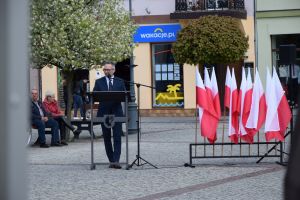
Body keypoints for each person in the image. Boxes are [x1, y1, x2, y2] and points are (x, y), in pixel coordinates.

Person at [93, 62, 126, 169]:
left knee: (117, 137)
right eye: (105, 70)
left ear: (113, 70)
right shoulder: (99, 82)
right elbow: (94, 95)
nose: (106, 71)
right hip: (104, 112)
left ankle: (116, 160)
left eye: (108, 69)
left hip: (116, 113)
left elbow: (124, 95)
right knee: (107, 137)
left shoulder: (120, 81)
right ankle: (111, 160)